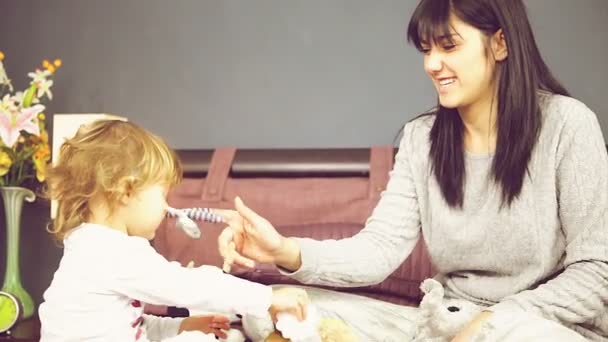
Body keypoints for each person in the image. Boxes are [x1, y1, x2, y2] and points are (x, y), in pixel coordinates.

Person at [217, 0, 608, 340]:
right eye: (426, 50)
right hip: (445, 324)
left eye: (449, 46)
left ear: (500, 43)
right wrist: (282, 250)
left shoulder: (568, 125)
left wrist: (493, 321)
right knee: (278, 313)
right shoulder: (422, 138)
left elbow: (597, 271)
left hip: (537, 327)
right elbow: (378, 250)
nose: (432, 65)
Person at [38, 119, 309, 342]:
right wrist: (266, 297)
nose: (167, 207)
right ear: (125, 191)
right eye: (163, 194)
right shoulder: (113, 252)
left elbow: (128, 328)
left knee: (220, 337)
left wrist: (182, 326)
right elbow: (189, 285)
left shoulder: (90, 245)